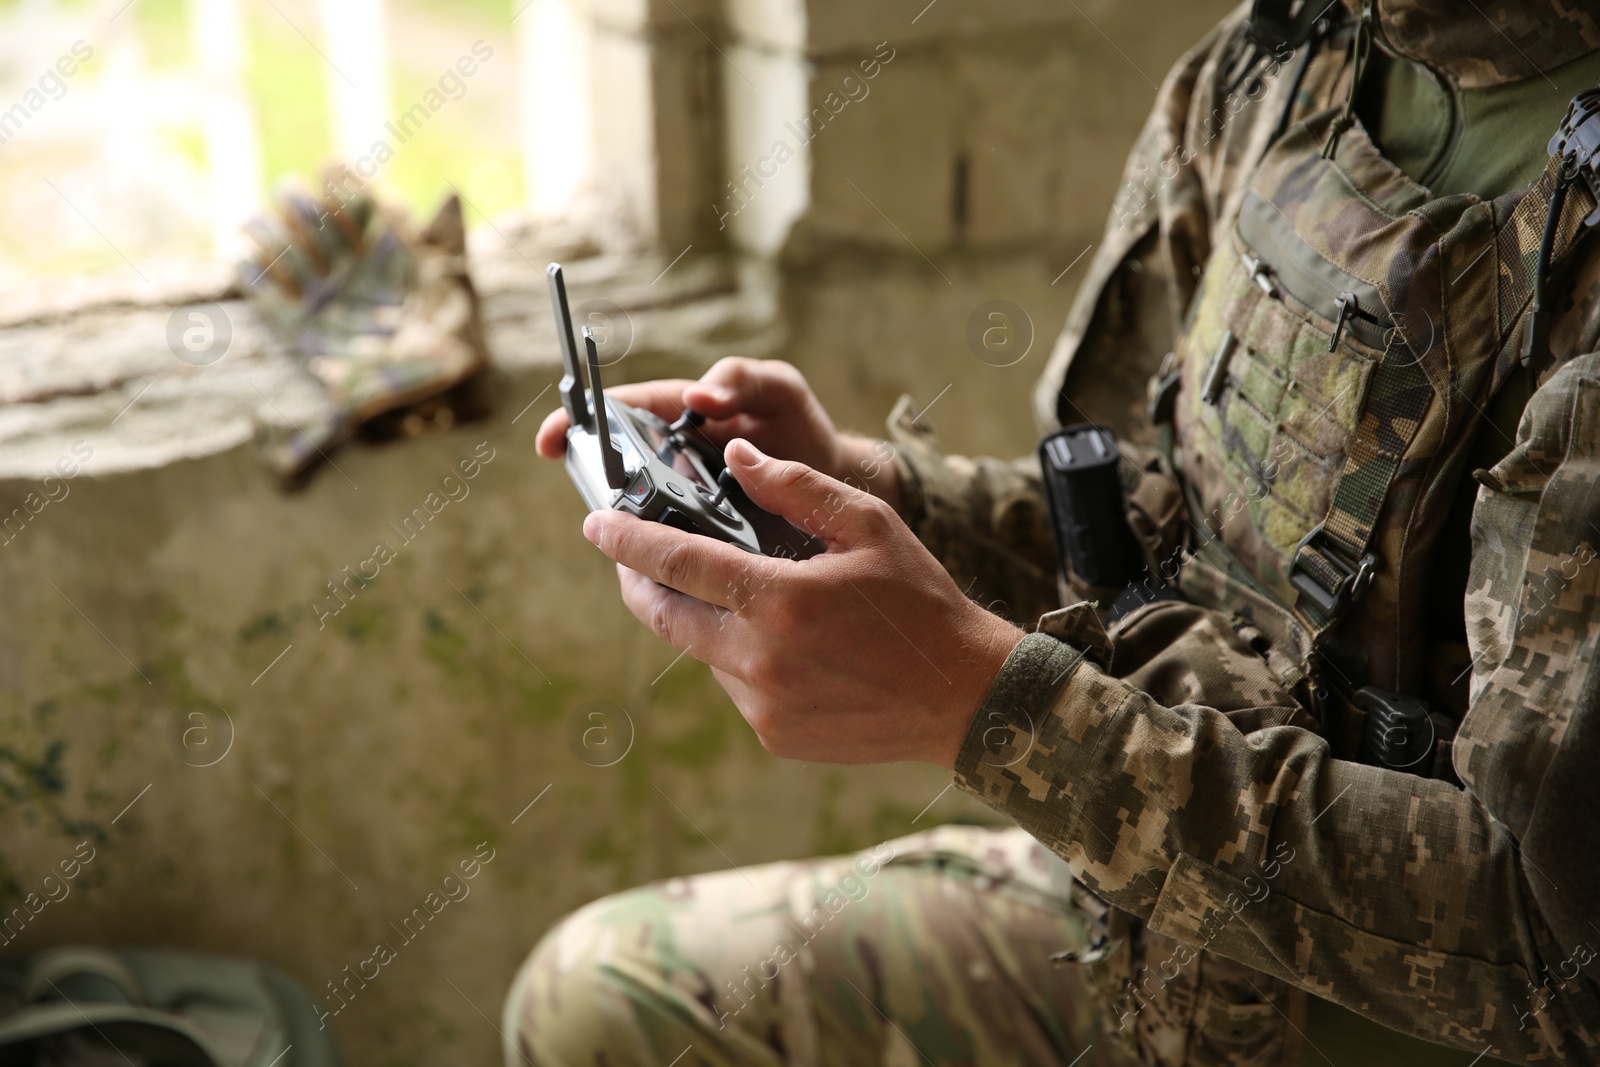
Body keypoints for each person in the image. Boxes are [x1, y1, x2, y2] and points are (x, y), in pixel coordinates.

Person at [508, 0, 1600, 1063]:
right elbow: (1153, 533)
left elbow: (1560, 950)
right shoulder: (1289, 57)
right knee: (601, 998)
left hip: (1369, 1024)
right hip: (1153, 946)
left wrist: (988, 707)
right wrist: (874, 496)